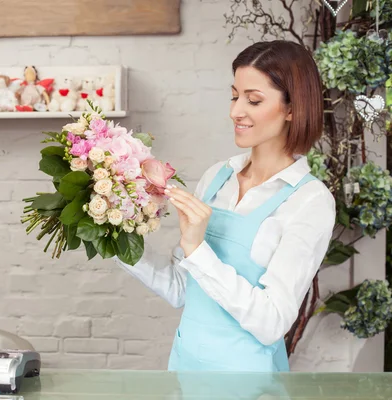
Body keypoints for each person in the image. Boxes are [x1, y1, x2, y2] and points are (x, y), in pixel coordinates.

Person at [114, 40, 336, 372]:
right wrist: (110, 234)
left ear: (292, 108)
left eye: (254, 100)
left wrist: (197, 249)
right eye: (234, 96)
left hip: (249, 386)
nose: (235, 112)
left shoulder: (310, 201)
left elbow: (272, 322)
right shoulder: (217, 177)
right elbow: (181, 289)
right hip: (184, 373)